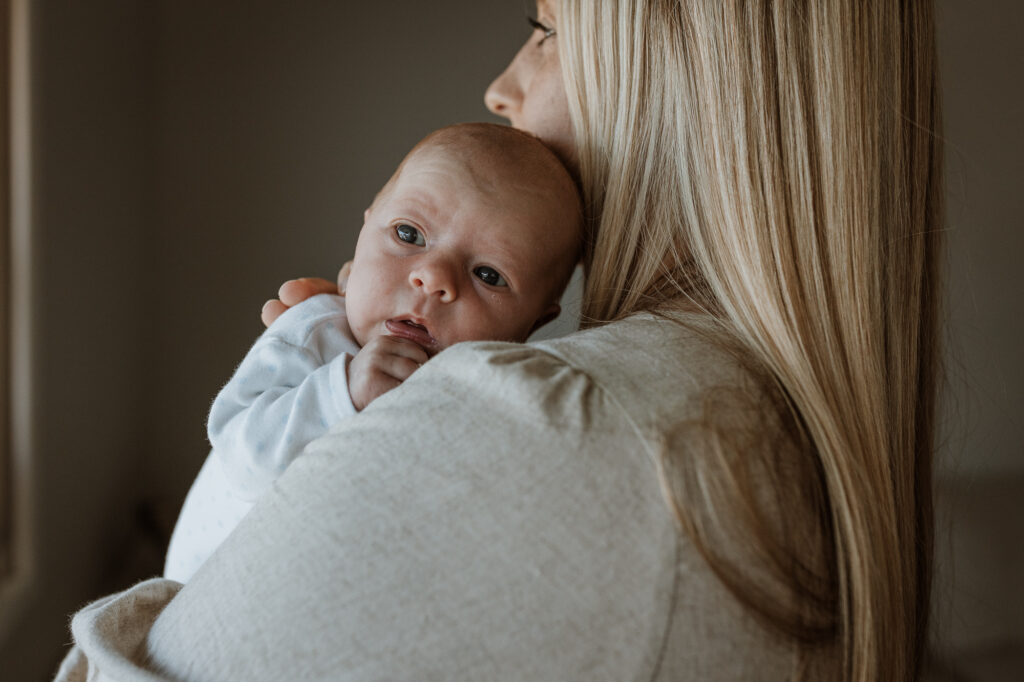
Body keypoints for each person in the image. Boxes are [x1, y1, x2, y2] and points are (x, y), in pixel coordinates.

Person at [56, 1, 943, 681]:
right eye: (406, 236)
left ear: (686, 82)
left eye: (548, 30)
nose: (501, 86)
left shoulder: (555, 420)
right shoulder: (752, 418)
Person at [162, 122, 582, 583]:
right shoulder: (317, 333)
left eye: (489, 275)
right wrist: (343, 392)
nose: (433, 278)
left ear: (534, 325)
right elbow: (241, 458)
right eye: (409, 234)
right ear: (360, 241)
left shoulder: (490, 400)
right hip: (203, 582)